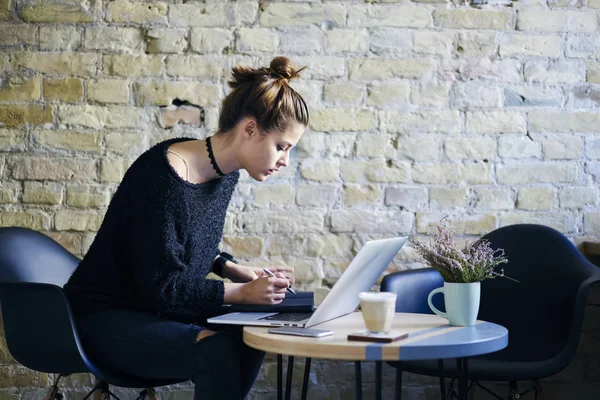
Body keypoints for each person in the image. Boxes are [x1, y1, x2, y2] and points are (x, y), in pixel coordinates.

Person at [63, 56, 310, 399]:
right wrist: (240, 295)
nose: (285, 161)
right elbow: (162, 287)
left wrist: (234, 269)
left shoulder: (223, 175)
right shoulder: (164, 177)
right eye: (282, 147)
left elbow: (187, 244)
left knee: (251, 331)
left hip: (150, 309)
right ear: (250, 129)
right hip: (101, 318)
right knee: (216, 350)